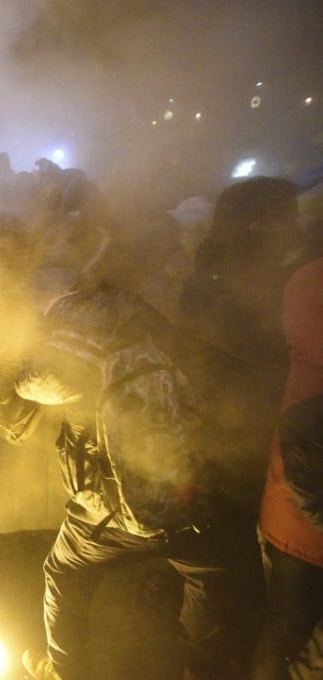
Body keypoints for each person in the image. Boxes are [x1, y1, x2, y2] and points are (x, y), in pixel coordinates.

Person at [14, 271, 245, 680]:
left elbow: (30, 384)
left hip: (109, 514)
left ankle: (65, 672)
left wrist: (35, 345)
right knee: (214, 574)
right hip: (191, 500)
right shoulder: (161, 330)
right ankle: (203, 671)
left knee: (64, 573)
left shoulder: (74, 355)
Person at [249, 168, 323, 679]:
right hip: (304, 493)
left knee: (282, 630)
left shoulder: (302, 278)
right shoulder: (310, 282)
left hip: (290, 497)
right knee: (287, 631)